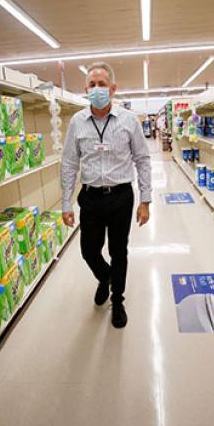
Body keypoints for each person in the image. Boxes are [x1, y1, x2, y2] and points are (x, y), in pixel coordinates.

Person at [61, 62, 152, 328]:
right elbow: (69, 163)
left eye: (102, 84)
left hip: (121, 197)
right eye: (92, 85)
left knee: (118, 251)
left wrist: (145, 201)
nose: (97, 89)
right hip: (90, 197)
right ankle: (105, 277)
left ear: (113, 89)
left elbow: (143, 159)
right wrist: (66, 202)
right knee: (89, 250)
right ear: (85, 89)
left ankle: (118, 300)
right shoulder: (77, 122)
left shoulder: (128, 120)